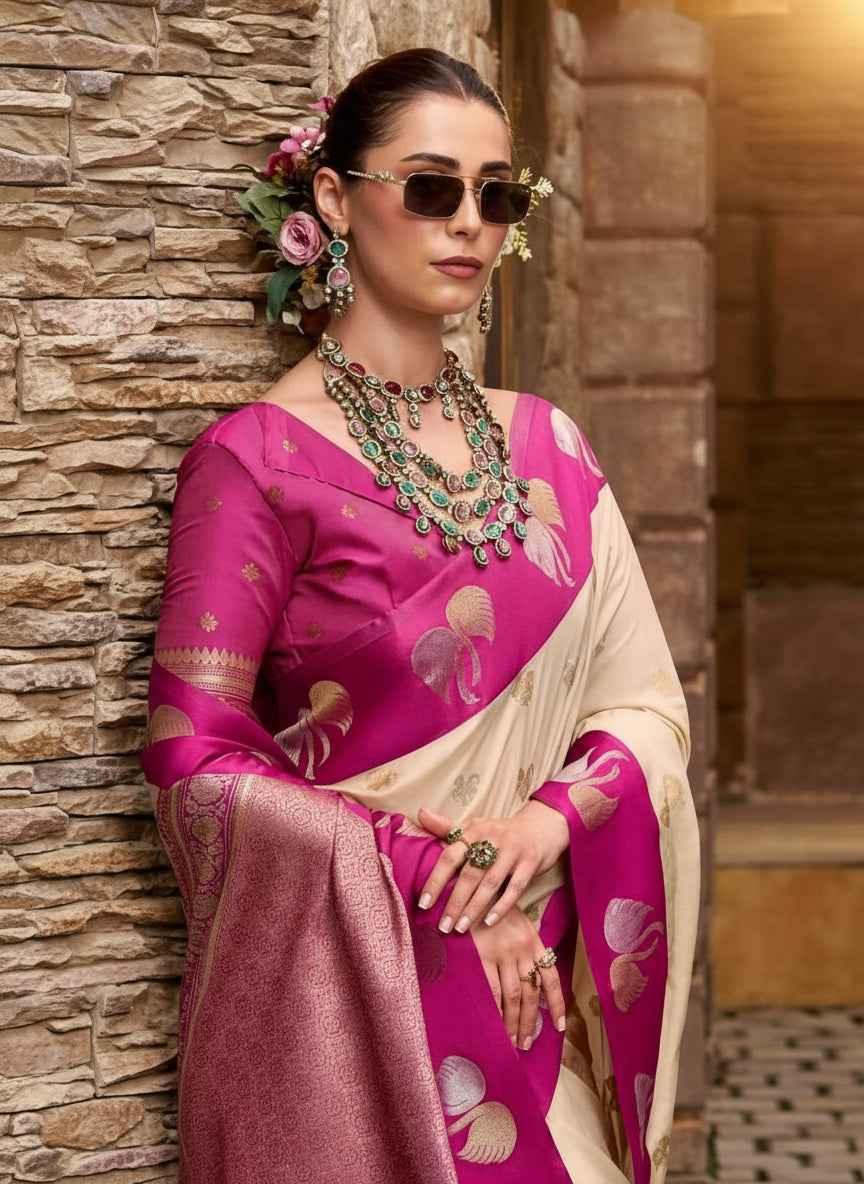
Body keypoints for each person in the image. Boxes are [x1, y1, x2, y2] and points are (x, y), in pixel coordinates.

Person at [139, 46, 700, 1184]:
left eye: (498, 195)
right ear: (336, 198)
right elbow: (193, 762)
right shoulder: (256, 465)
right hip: (372, 990)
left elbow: (643, 704)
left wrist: (540, 826)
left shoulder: (551, 449)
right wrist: (431, 879)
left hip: (541, 967)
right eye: (432, 187)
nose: (469, 223)